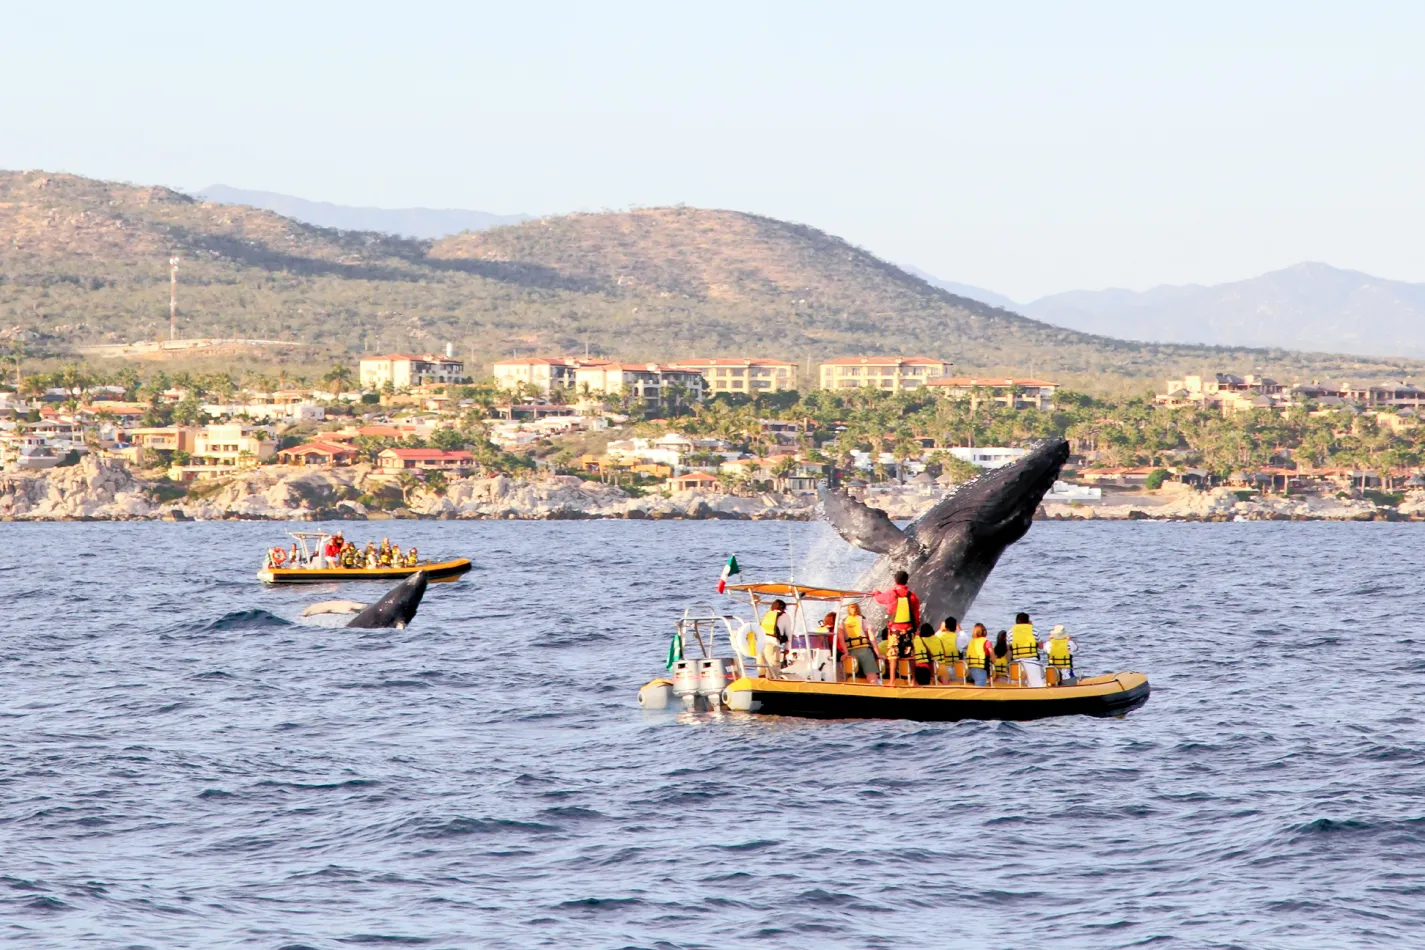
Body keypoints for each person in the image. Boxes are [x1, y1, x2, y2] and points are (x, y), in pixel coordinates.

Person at [871, 570, 920, 686]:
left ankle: (892, 681)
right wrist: (915, 627)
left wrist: (876, 593)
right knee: (911, 655)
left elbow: (879, 599)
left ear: (895, 580)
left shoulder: (891, 593)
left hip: (895, 630)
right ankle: (914, 681)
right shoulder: (912, 596)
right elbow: (916, 614)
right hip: (908, 629)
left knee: (893, 655)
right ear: (907, 580)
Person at [837, 602, 880, 685]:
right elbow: (872, 639)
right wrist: (878, 654)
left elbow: (841, 639)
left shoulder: (843, 622)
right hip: (864, 650)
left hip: (850, 651)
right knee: (871, 673)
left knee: (852, 673)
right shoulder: (863, 620)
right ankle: (874, 687)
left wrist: (845, 652)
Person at [758, 599, 791, 679]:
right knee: (773, 673)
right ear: (783, 608)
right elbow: (788, 634)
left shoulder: (768, 615)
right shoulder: (784, 616)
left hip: (760, 645)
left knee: (762, 672)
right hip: (772, 646)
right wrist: (787, 649)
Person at [1009, 612, 1040, 683]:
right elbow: (1040, 645)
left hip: (1016, 664)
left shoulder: (1010, 632)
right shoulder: (1034, 630)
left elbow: (1009, 646)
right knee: (1036, 685)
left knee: (1016, 685)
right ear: (1028, 621)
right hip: (1032, 662)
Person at [937, 617, 962, 683]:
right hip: (956, 666)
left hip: (944, 667)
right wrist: (959, 628)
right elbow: (965, 637)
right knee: (957, 683)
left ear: (945, 626)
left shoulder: (939, 636)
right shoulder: (958, 636)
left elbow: (932, 639)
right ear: (955, 626)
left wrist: (940, 629)